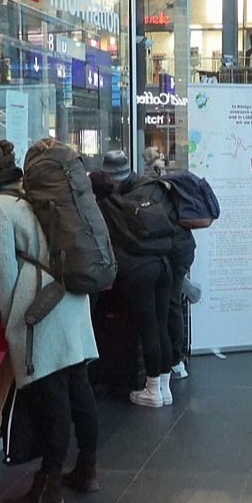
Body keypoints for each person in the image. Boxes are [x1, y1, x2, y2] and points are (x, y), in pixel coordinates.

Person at [0, 140, 101, 503]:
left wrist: (17, 324)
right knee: (77, 389)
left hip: (40, 312)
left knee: (51, 401)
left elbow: (5, 278)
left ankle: (49, 487)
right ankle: (87, 469)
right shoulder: (27, 195)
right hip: (70, 299)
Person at [95, 152, 176, 407]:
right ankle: (164, 387)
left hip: (138, 270)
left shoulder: (105, 204)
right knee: (161, 326)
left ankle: (152, 390)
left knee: (148, 328)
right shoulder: (147, 191)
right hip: (163, 263)